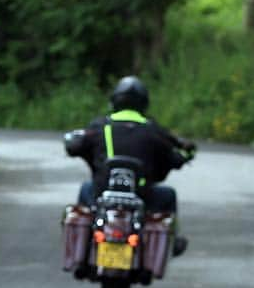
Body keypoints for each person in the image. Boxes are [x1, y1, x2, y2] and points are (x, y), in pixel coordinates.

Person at [65, 75, 195, 253]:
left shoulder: (100, 126)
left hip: (102, 192)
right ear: (144, 103)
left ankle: (83, 242)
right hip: (142, 196)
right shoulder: (153, 130)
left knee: (86, 189)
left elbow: (74, 147)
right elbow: (174, 158)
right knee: (168, 195)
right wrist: (183, 155)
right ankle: (172, 243)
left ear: (114, 101)